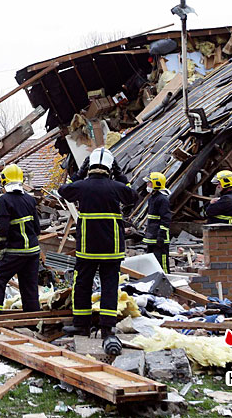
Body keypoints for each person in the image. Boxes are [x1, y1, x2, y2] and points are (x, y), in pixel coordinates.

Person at [58, 147, 138, 356]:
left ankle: (81, 325)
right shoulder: (116, 187)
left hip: (88, 248)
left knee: (82, 285)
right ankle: (107, 328)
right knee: (109, 286)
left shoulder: (82, 186)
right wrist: (121, 175)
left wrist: (78, 173)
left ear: (90, 166)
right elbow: (132, 195)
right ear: (110, 168)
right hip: (112, 248)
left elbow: (63, 190)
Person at [0, 164, 40, 315]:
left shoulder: (4, 200)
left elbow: (2, 229)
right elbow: (37, 228)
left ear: (4, 181)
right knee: (29, 285)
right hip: (33, 251)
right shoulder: (30, 200)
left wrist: (0, 248)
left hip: (16, 251)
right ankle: (32, 317)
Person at [142, 172, 172, 273]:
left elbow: (166, 218)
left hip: (160, 237)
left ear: (156, 184)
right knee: (152, 261)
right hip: (152, 236)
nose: (147, 184)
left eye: (149, 182)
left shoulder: (162, 199)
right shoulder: (152, 198)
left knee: (162, 261)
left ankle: (165, 278)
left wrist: (161, 235)